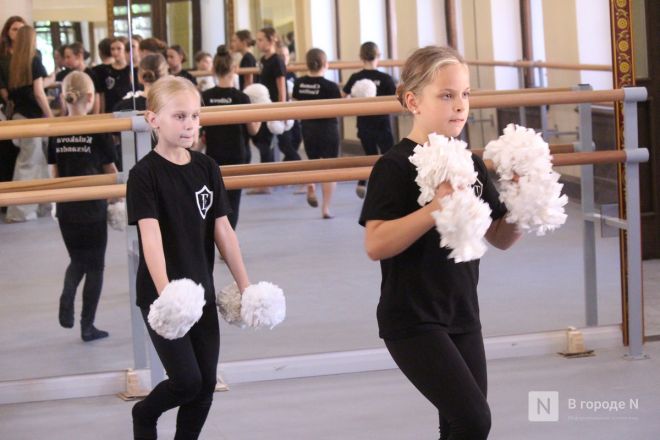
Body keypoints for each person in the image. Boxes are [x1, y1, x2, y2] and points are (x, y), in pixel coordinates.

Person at [359, 46, 522, 440]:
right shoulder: (394, 166)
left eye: (465, 94)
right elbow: (375, 244)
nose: (460, 105)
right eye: (446, 95)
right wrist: (436, 206)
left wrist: (524, 201)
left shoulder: (473, 163)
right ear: (413, 101)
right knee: (474, 420)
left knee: (459, 426)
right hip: (412, 320)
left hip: (463, 312)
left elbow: (500, 238)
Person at [127, 76, 252, 440]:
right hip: (162, 298)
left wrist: (247, 288)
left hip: (203, 292)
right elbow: (149, 239)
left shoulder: (207, 168)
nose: (189, 125)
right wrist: (168, 296)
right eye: (179, 116)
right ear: (154, 120)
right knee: (186, 382)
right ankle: (144, 414)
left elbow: (224, 233)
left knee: (205, 387)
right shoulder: (144, 175)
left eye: (194, 116)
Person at [48, 71, 118, 341]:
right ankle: (87, 326)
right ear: (91, 97)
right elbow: (111, 170)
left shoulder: (55, 129)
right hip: (92, 207)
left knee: (78, 259)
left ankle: (68, 294)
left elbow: (54, 173)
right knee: (96, 266)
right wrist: (118, 198)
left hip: (66, 207)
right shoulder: (97, 129)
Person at [201, 45, 260, 229]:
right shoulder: (242, 97)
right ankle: (228, 237)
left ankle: (216, 235)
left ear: (213, 70)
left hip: (213, 154)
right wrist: (260, 115)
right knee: (233, 200)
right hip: (237, 153)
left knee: (215, 198)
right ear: (234, 70)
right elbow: (253, 131)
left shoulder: (205, 96)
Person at [0, 25, 53, 222]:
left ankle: (41, 206)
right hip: (32, 118)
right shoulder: (34, 60)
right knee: (29, 164)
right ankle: (19, 212)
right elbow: (39, 93)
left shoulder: (14, 62)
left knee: (36, 162)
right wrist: (50, 115)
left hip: (19, 117)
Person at [343, 41, 396, 198]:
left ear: (361, 57)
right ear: (378, 55)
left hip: (364, 123)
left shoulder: (355, 77)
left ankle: (363, 182)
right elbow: (394, 101)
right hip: (382, 123)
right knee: (388, 155)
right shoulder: (386, 78)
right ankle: (388, 187)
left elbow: (343, 98)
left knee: (369, 154)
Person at [292, 48, 340, 219]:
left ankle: (311, 183)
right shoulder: (331, 87)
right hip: (328, 130)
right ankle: (325, 208)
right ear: (326, 65)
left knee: (312, 162)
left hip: (308, 129)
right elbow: (339, 108)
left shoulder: (299, 84)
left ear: (307, 64)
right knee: (330, 168)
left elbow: (295, 104)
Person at [95, 36, 139, 113]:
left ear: (125, 50)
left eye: (119, 49)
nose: (115, 52)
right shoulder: (104, 70)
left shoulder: (133, 70)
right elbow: (102, 95)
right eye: (112, 49)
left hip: (129, 110)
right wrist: (101, 112)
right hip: (110, 110)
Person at [57, 42, 100, 114]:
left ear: (79, 56)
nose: (66, 60)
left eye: (68, 57)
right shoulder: (67, 75)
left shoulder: (91, 74)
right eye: (65, 57)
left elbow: (97, 97)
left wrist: (95, 116)